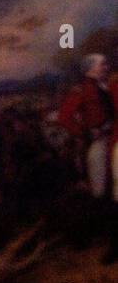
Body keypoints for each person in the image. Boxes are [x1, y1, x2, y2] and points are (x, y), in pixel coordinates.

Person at [58, 53, 114, 198]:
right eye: (102, 64)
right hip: (99, 140)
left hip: (114, 137)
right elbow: (64, 117)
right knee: (99, 187)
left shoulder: (109, 86)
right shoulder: (81, 90)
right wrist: (85, 133)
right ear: (90, 69)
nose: (107, 67)